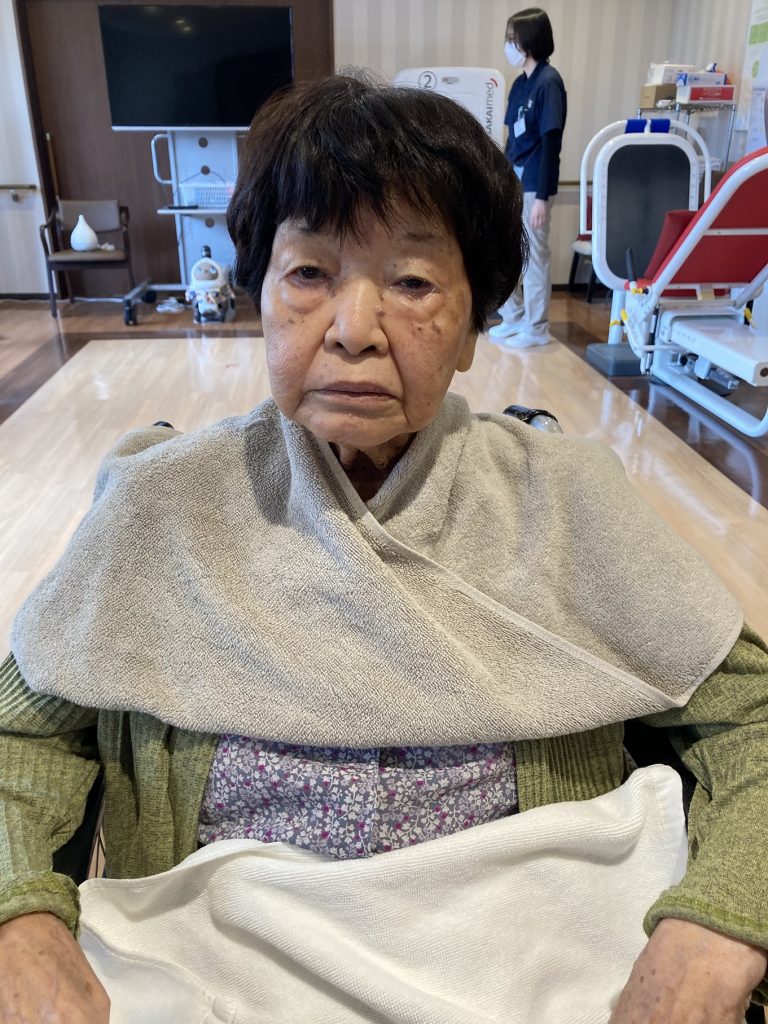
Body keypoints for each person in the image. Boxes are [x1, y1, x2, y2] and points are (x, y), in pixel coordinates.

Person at [0, 74, 767, 1024]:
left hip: (537, 966)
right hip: (212, 970)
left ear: (474, 327)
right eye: (309, 274)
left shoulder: (566, 500)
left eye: (411, 282)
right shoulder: (164, 505)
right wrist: (18, 917)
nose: (354, 331)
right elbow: (18, 735)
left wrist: (717, 925)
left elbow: (755, 719)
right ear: (260, 295)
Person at [489, 6, 567, 349]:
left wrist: (542, 198)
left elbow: (551, 143)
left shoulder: (549, 83)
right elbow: (512, 138)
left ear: (530, 41)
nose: (509, 45)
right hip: (515, 176)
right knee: (504, 249)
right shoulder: (521, 84)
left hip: (536, 180)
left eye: (513, 39)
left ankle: (537, 327)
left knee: (535, 255)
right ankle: (515, 315)